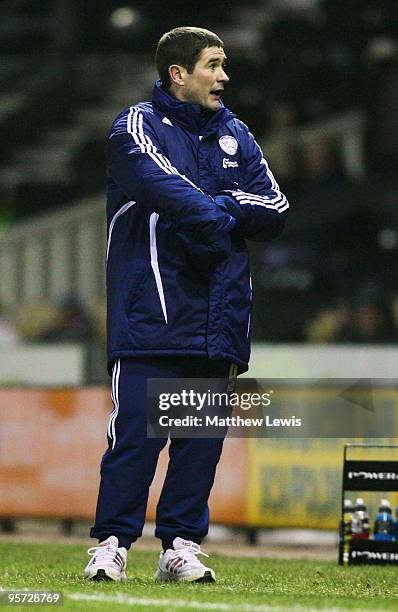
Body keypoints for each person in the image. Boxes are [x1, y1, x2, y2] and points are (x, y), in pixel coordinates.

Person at [84, 26, 289, 583]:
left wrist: (218, 205)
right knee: (134, 439)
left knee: (199, 446)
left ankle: (179, 546)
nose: (224, 76)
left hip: (217, 317)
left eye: (224, 65)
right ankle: (111, 544)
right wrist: (223, 215)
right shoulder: (135, 126)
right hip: (150, 313)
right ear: (179, 73)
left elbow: (273, 207)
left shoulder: (236, 133)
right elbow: (158, 184)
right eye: (214, 65)